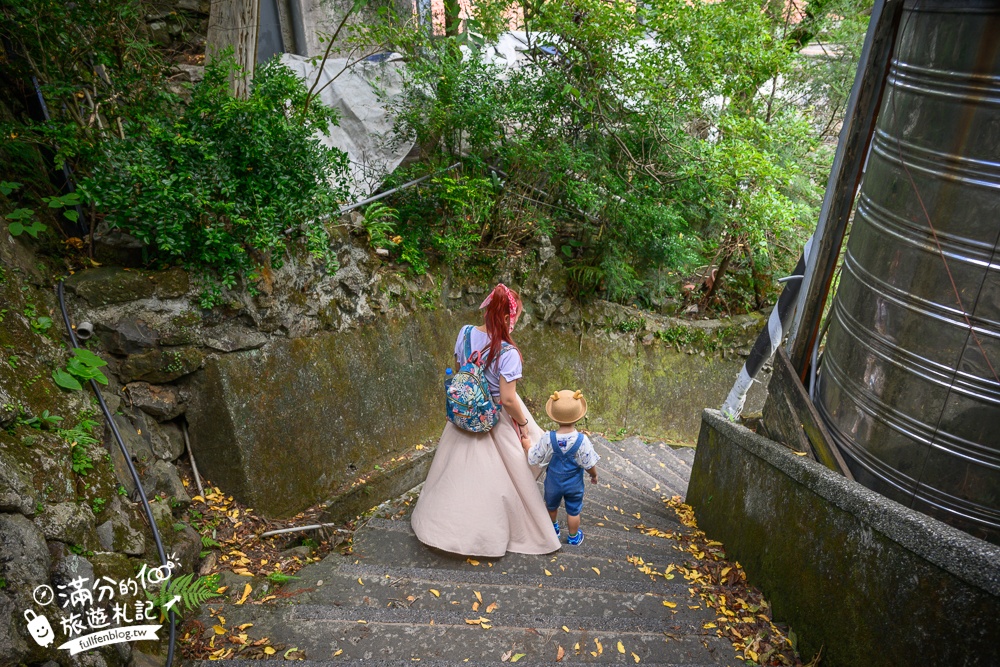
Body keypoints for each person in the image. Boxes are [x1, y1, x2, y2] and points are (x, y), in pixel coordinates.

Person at [411, 284, 561, 557]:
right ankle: (496, 530)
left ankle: (442, 526)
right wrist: (524, 425)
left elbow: (460, 370)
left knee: (455, 476)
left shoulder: (465, 333)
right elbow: (507, 398)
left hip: (464, 412)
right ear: (507, 318)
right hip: (495, 416)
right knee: (513, 471)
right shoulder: (509, 353)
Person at [524, 390, 599, 546]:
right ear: (578, 417)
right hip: (574, 485)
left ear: (554, 417)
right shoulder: (582, 440)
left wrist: (527, 446)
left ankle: (553, 530)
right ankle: (573, 537)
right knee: (573, 511)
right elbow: (589, 463)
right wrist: (594, 475)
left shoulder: (548, 438)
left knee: (551, 507)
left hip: (553, 482)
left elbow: (533, 458)